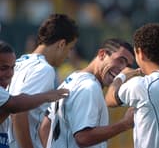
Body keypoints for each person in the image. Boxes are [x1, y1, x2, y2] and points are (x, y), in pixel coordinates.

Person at [39, 38, 135, 148]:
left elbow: (45, 127)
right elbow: (83, 138)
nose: (123, 69)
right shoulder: (90, 87)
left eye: (128, 66)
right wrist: (124, 124)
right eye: (120, 60)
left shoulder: (72, 79)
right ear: (102, 54)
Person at [7, 13, 79, 148]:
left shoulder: (19, 62)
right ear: (62, 44)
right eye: (69, 48)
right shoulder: (44, 69)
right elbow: (19, 113)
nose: (69, 55)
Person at [0, 40, 69, 147]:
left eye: (13, 67)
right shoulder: (45, 69)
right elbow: (17, 109)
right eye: (3, 68)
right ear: (61, 44)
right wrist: (46, 96)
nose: (10, 74)